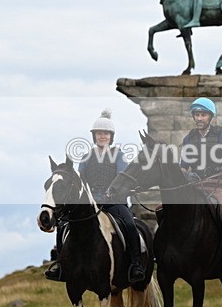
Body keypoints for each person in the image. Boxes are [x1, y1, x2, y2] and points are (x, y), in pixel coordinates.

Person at [44, 109, 146, 284]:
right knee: (63, 224)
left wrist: (112, 192)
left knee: (129, 224)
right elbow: (80, 180)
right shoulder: (86, 157)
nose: (102, 136)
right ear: (94, 136)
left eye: (105, 134)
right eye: (99, 133)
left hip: (114, 202)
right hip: (92, 204)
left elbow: (122, 177)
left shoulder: (119, 155)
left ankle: (136, 264)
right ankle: (61, 265)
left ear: (111, 136)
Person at [180, 97, 222, 275]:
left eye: (203, 114)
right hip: (196, 186)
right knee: (164, 208)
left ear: (210, 116)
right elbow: (183, 166)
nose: (199, 118)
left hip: (218, 185)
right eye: (197, 115)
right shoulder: (189, 138)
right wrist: (187, 174)